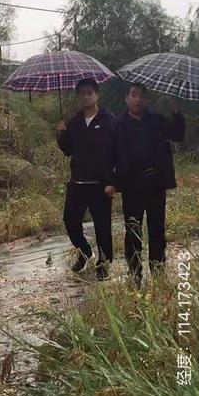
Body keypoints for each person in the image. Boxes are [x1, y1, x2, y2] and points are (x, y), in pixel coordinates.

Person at [115, 83, 185, 288]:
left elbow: (178, 135)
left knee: (156, 230)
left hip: (156, 184)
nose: (138, 99)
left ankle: (158, 273)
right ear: (126, 99)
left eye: (142, 96)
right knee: (133, 231)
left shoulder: (158, 121)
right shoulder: (118, 124)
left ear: (146, 100)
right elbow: (108, 153)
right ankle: (135, 275)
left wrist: (177, 113)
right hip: (131, 186)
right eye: (134, 95)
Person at [56, 78, 116, 281]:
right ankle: (84, 251)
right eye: (82, 93)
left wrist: (111, 181)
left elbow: (115, 152)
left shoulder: (108, 120)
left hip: (100, 184)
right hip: (78, 182)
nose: (86, 96)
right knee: (70, 220)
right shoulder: (74, 122)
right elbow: (67, 150)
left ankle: (104, 263)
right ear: (78, 96)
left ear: (97, 95)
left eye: (90, 92)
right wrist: (61, 133)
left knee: (102, 225)